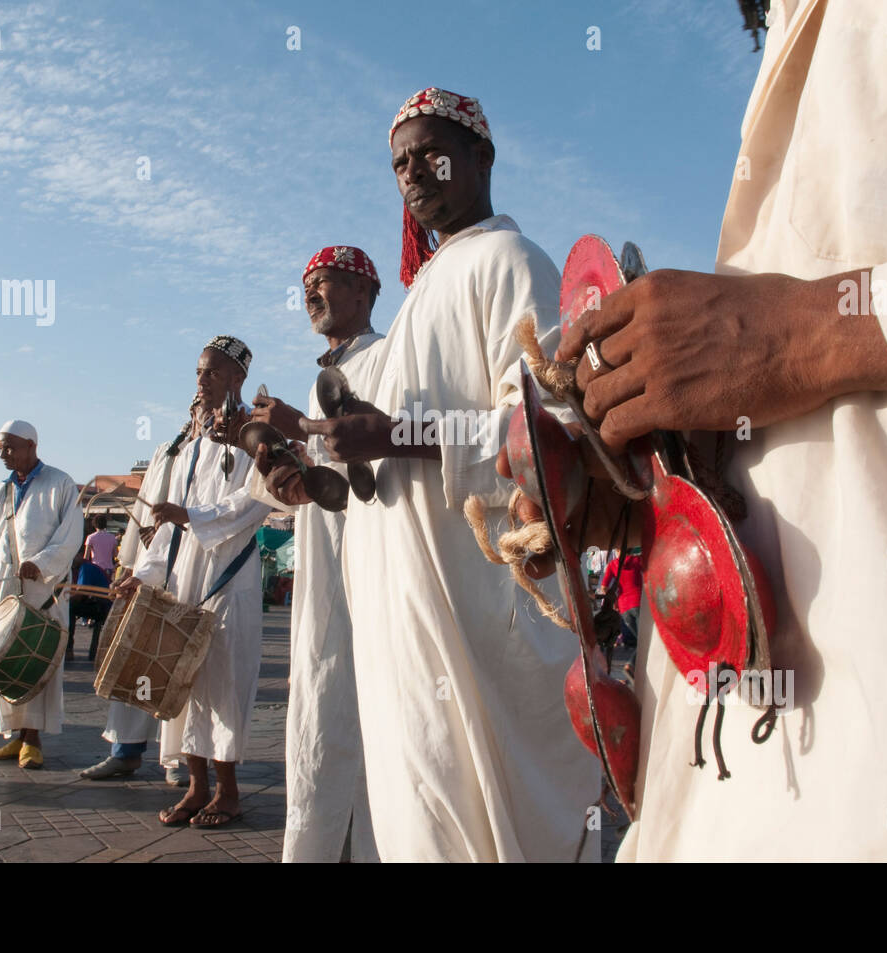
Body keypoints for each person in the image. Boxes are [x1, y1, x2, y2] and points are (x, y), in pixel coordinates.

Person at [508, 1, 887, 861]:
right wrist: (650, 492)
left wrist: (809, 333)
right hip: (755, 765)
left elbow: (797, 339)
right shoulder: (792, 38)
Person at [264, 89, 600, 861]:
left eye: (431, 152)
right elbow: (385, 460)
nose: (414, 172)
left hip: (482, 626)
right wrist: (308, 463)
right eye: (400, 163)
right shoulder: (422, 299)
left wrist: (399, 435)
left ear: (482, 157)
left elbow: (554, 434)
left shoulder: (513, 262)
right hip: (404, 626)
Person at [250, 245, 383, 863]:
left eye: (324, 282)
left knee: (378, 716)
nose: (312, 294)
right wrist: (289, 471)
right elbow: (328, 476)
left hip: (376, 567)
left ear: (363, 292)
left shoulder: (387, 359)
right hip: (325, 564)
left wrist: (302, 427)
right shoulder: (320, 374)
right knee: (324, 706)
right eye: (306, 285)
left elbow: (385, 467)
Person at [114, 336, 271, 827]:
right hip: (183, 578)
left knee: (223, 682)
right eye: (199, 372)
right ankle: (196, 786)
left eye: (213, 373)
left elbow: (257, 501)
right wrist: (144, 574)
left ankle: (228, 792)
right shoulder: (189, 447)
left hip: (229, 578)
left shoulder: (257, 435)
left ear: (237, 380)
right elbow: (168, 526)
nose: (201, 381)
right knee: (182, 680)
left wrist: (192, 515)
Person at [0, 420, 83, 770]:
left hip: (46, 592)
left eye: (9, 447)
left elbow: (71, 536)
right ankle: (16, 736)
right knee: (6, 661)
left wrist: (41, 564)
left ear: (31, 445)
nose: (3, 453)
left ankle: (34, 741)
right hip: (4, 592)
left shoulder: (61, 484)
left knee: (37, 663)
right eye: (0, 447)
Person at [81, 422, 200, 785]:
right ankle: (125, 751)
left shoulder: (225, 449)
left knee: (180, 666)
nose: (199, 407)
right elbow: (146, 508)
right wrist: (133, 562)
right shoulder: (166, 450)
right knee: (135, 658)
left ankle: (178, 759)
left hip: (192, 569)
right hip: (150, 563)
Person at [83, 514, 118, 581]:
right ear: (105, 524)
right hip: (109, 569)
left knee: (96, 589)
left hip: (96, 568)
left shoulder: (91, 537)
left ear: (94, 524)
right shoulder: (112, 537)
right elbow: (115, 554)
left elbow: (86, 557)